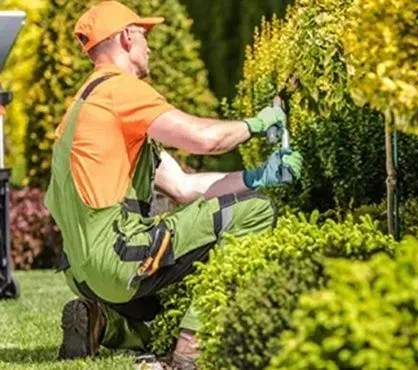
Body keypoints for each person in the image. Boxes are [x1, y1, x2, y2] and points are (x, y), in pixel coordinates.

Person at [44, 1, 303, 369]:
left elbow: (183, 187)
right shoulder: (120, 90)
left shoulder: (84, 107)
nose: (150, 45)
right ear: (126, 37)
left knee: (171, 307)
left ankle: (103, 324)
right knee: (258, 210)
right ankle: (190, 352)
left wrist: (258, 176)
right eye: (145, 35)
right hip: (119, 258)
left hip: (84, 273)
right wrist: (258, 124)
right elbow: (205, 139)